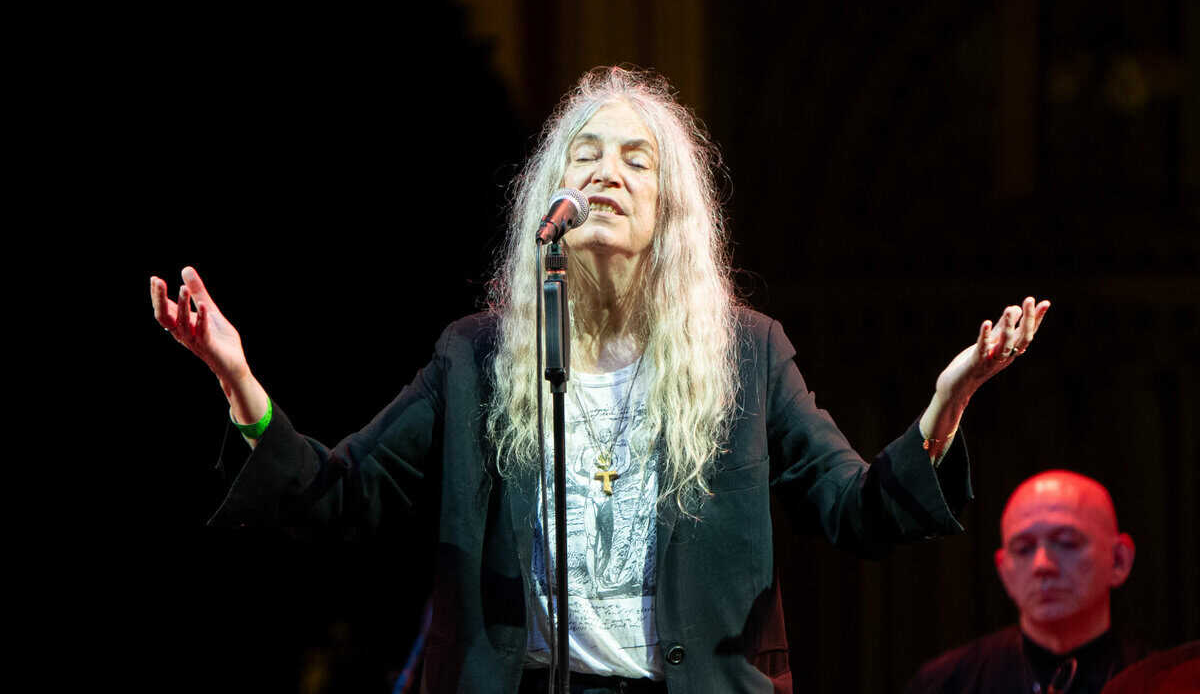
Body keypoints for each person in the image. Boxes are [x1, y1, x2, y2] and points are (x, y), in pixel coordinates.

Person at [150, 67, 1051, 694]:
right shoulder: (476, 358)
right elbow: (341, 494)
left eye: (635, 159)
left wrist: (947, 403)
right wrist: (238, 379)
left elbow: (856, 510)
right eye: (585, 155)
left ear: (669, 210)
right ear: (552, 197)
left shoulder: (746, 354)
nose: (606, 174)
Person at [905, 470, 1143, 694]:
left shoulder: (1158, 681)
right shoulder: (945, 684)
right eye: (1023, 548)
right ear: (1004, 571)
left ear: (1118, 560)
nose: (1042, 565)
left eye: (1067, 542)